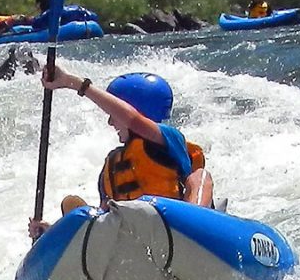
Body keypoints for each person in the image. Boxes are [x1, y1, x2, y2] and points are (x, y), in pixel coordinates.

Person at [28, 69, 214, 239]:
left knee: (200, 177)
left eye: (113, 113)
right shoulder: (112, 163)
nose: (110, 122)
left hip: (177, 229)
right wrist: (52, 233)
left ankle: (195, 227)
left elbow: (133, 120)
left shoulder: (168, 138)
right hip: (130, 241)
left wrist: (74, 83)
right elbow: (104, 216)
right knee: (74, 207)